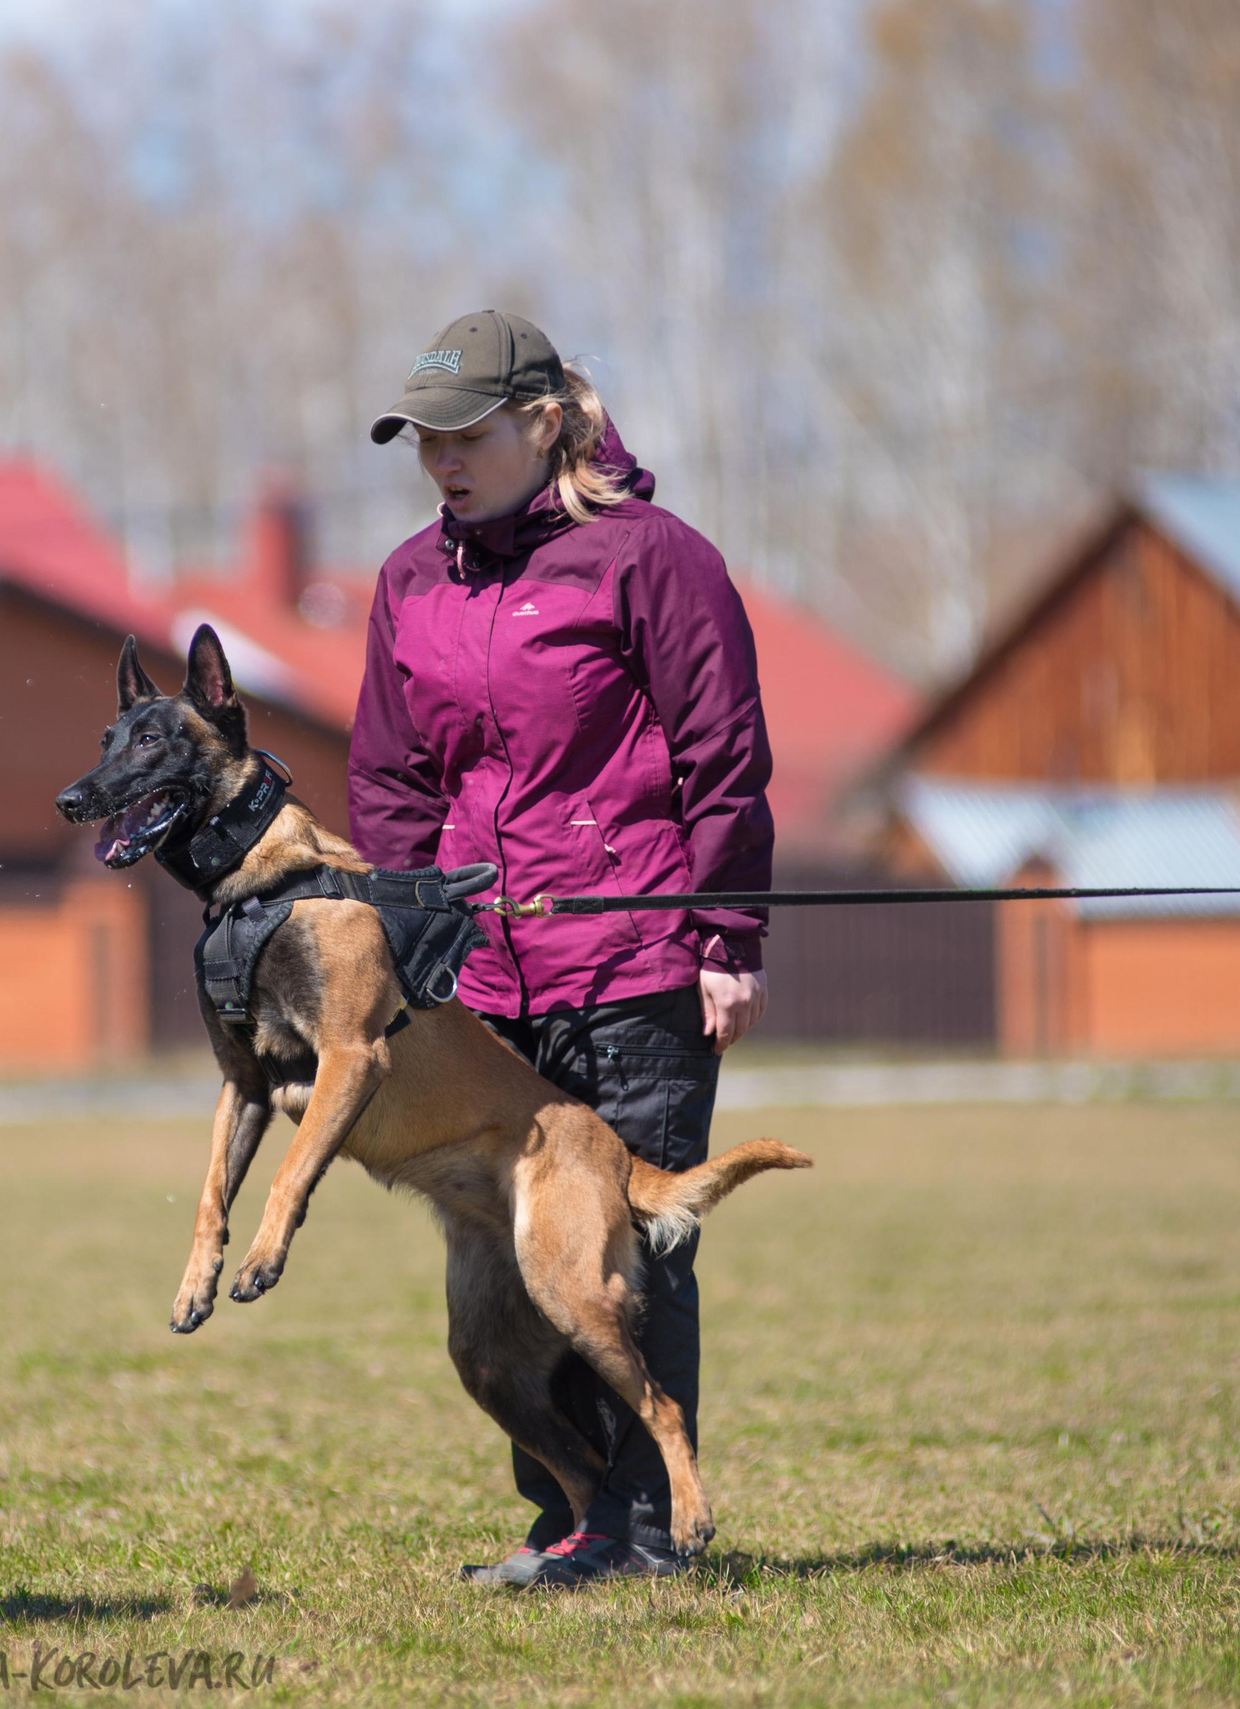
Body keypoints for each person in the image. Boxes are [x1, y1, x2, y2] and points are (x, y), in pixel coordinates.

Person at [349, 311, 773, 1590]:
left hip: (637, 958)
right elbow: (387, 780)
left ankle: (651, 1531)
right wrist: (411, 939)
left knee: (638, 1257)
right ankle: (570, 1519)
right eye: (423, 439)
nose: (439, 461)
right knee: (516, 1265)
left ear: (544, 422)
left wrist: (725, 934)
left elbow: (722, 757)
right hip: (482, 989)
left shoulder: (653, 559)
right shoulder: (407, 582)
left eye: (464, 434)